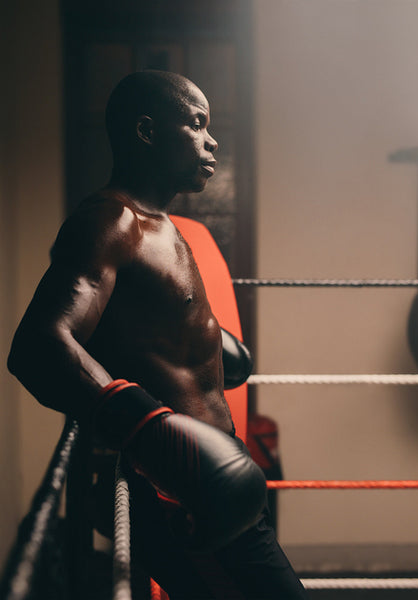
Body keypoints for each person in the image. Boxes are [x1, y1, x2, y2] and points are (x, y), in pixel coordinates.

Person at [8, 70, 308, 599]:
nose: (212, 140)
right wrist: (151, 435)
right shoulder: (111, 222)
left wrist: (212, 348)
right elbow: (40, 344)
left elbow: (140, 331)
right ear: (146, 132)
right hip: (182, 495)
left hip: (212, 484)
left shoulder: (163, 226)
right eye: (196, 124)